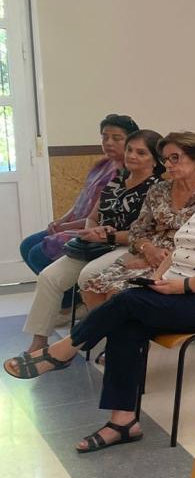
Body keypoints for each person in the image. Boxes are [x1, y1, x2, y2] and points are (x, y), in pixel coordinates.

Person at [6, 143, 195, 454]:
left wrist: (185, 286)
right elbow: (178, 249)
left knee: (129, 303)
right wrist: (158, 278)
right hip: (190, 293)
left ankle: (63, 351)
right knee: (128, 323)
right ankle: (123, 421)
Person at [18, 129, 163, 352]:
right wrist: (94, 231)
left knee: (89, 275)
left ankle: (109, 342)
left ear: (154, 159)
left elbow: (145, 232)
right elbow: (93, 216)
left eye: (141, 153)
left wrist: (108, 235)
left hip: (128, 245)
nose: (132, 156)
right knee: (49, 277)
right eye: (130, 150)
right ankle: (39, 341)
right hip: (97, 243)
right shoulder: (116, 181)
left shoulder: (157, 189)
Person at [79, 132, 195, 309]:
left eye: (175, 158)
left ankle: (126, 335)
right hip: (147, 253)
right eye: (165, 159)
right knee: (92, 289)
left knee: (117, 294)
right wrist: (148, 250)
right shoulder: (159, 190)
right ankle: (113, 337)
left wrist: (163, 257)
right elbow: (137, 230)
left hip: (183, 261)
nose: (168, 165)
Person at [19, 114, 137, 274]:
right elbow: (83, 198)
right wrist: (62, 220)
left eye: (117, 138)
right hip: (77, 222)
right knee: (26, 245)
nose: (109, 143)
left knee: (37, 253)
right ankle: (61, 292)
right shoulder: (102, 164)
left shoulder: (128, 174)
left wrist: (65, 227)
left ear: (131, 142)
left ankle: (69, 295)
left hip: (96, 229)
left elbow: (101, 216)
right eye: (105, 137)